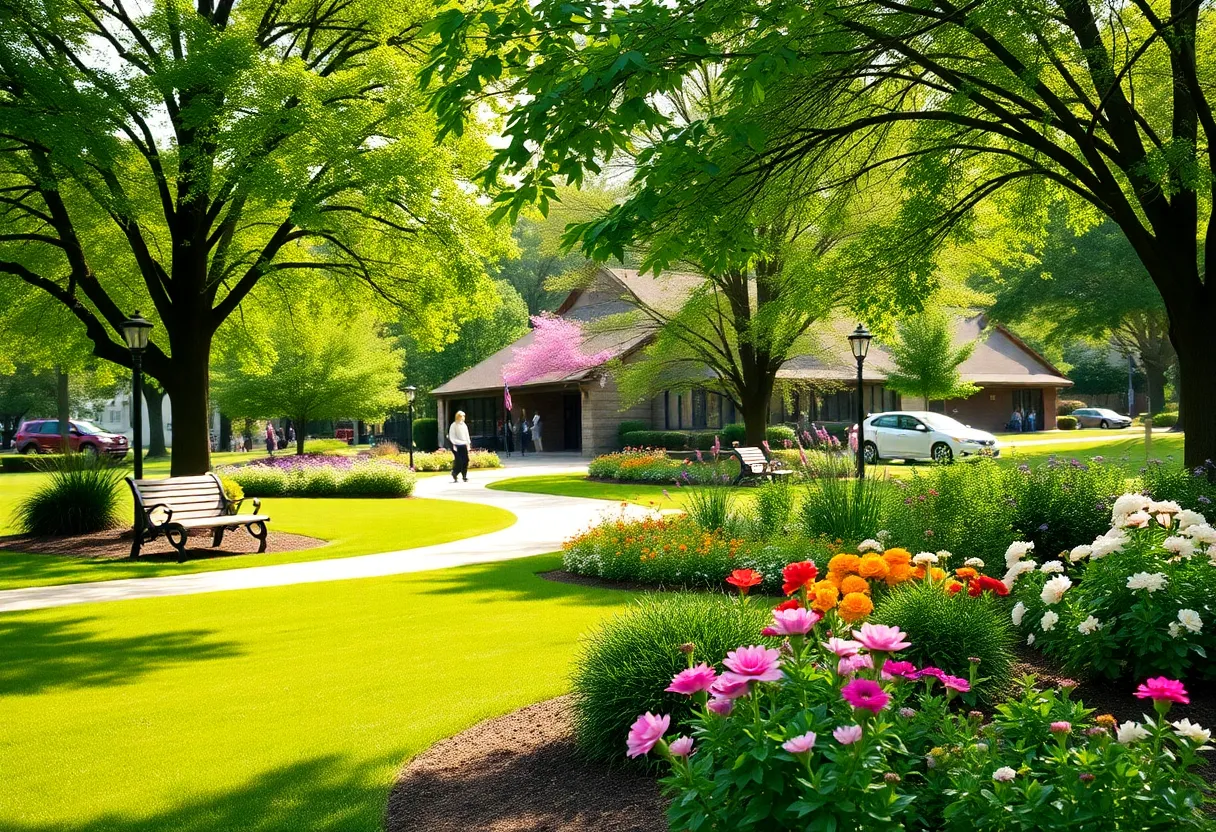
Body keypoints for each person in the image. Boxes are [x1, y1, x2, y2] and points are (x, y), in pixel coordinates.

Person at [448, 410, 471, 483]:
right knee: (459, 461)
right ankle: (455, 473)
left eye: (463, 416)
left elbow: (467, 435)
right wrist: (454, 444)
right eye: (461, 416)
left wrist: (468, 443)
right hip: (457, 445)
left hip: (464, 444)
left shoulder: (464, 425)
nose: (463, 417)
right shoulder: (454, 425)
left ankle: (464, 476)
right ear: (458, 416)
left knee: (466, 460)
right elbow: (452, 436)